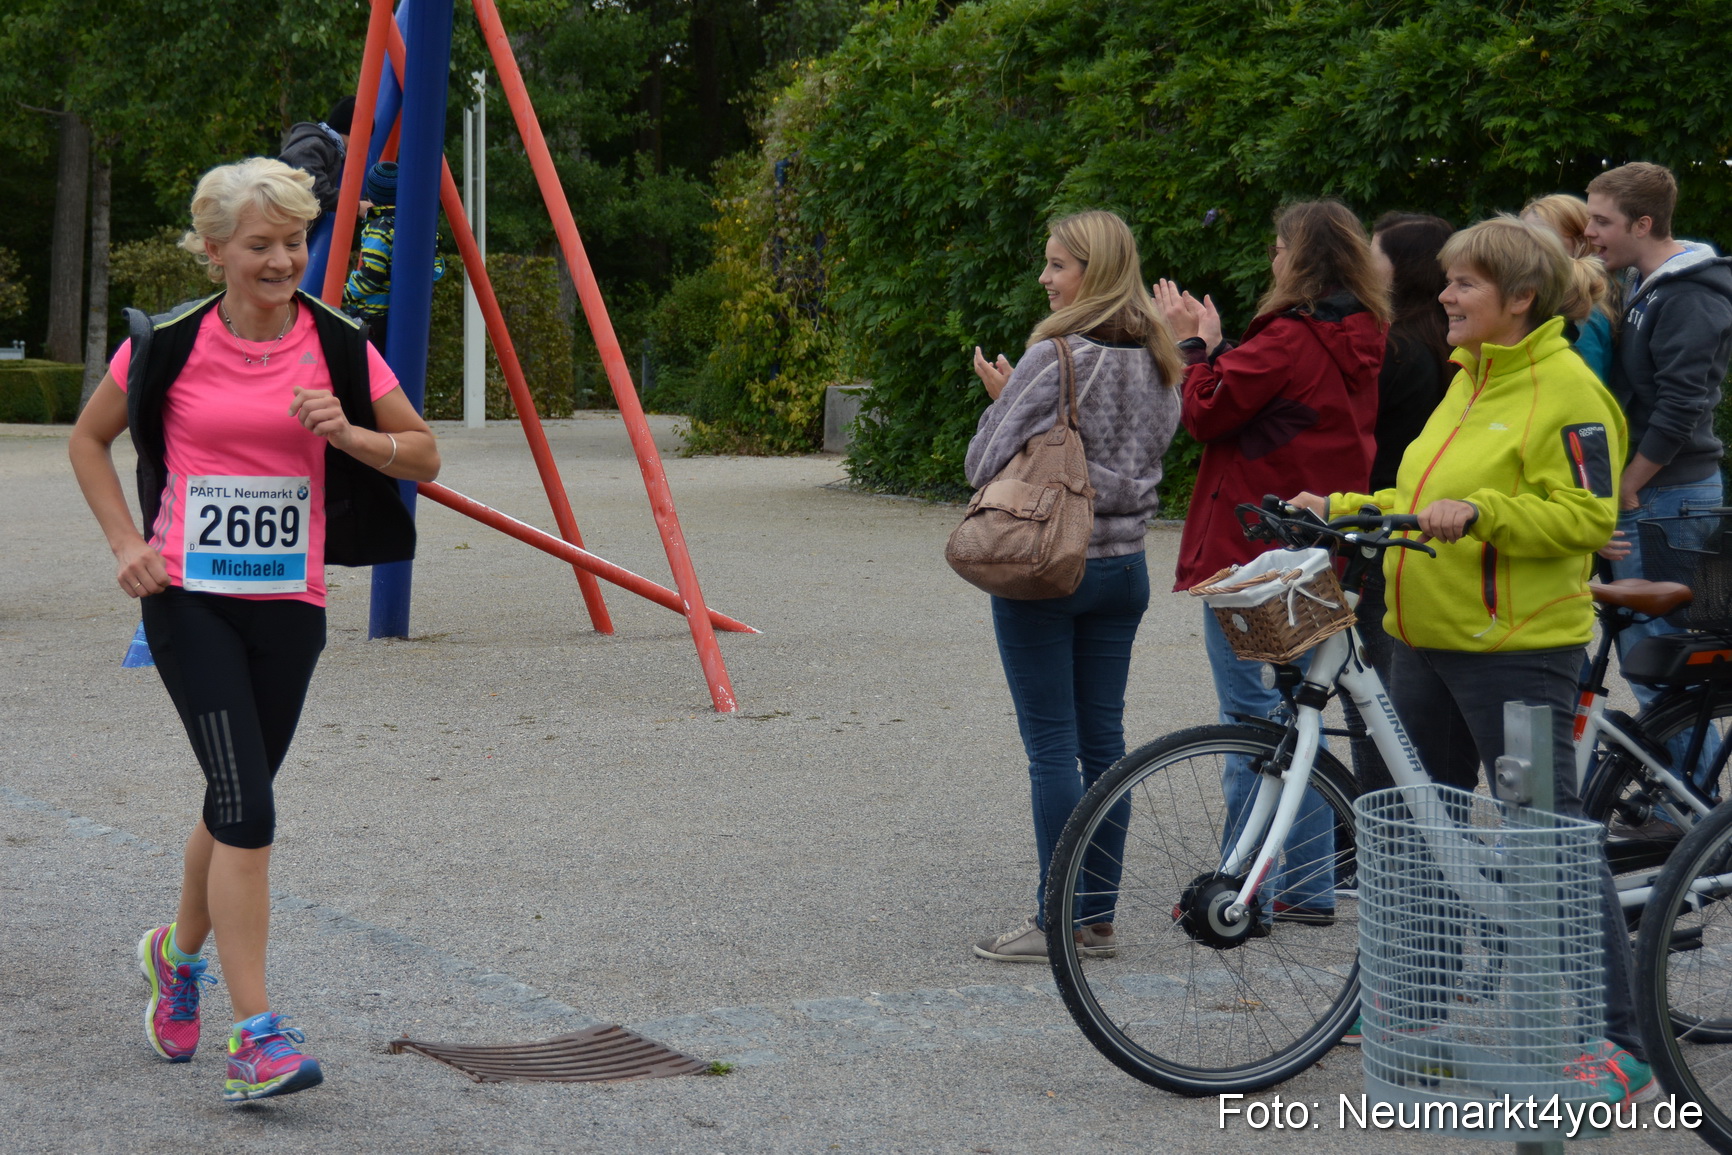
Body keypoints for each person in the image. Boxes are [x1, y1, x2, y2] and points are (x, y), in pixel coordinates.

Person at [67, 157, 440, 1101]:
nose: (284, 260)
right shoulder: (171, 341)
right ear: (216, 250)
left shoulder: (340, 343)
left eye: (295, 241)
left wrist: (352, 435)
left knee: (235, 794)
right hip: (188, 599)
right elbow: (88, 438)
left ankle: (174, 956)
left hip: (291, 604)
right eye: (262, 245)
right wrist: (125, 544)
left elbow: (425, 454)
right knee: (250, 807)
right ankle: (258, 1036)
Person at [1291, 214, 1652, 1106]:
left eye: (1465, 285)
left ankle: (1624, 1041)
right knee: (1419, 826)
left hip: (1514, 646)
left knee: (1551, 847)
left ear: (1519, 299)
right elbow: (1419, 500)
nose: (1445, 297)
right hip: (1423, 633)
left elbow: (1588, 518)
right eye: (1447, 281)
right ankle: (1420, 1009)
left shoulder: (1568, 391)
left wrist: (1486, 511)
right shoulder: (1466, 380)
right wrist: (1337, 504)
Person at [1156, 200, 1388, 923]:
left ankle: (1237, 886)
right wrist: (1219, 349)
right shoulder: (1361, 336)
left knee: (1253, 721)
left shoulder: (1287, 337)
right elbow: (1256, 401)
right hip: (1319, 549)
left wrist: (1192, 348)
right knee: (1302, 715)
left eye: (1279, 247)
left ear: (1300, 258)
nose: (1272, 259)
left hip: (1255, 553)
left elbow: (1205, 413)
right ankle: (1309, 885)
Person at [965, 210, 1182, 962]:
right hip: (1125, 568)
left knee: (1051, 747)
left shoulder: (1055, 355)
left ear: (1093, 270)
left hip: (1049, 565)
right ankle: (1097, 919)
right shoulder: (1161, 357)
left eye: (1057, 265)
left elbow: (981, 463)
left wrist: (1002, 400)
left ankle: (1053, 919)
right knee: (1105, 744)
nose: (1045, 278)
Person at [1584, 162, 1732, 702]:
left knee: (1659, 663)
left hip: (1667, 494)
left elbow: (1681, 407)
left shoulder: (1689, 294)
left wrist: (1629, 483)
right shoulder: (1646, 282)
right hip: (1655, 491)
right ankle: (1672, 782)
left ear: (1642, 225)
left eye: (1601, 221)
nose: (1589, 232)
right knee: (1649, 659)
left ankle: (1691, 786)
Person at [1347, 212, 1454, 794]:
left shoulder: (1397, 349)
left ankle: (1380, 831)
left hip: (1386, 525)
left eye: (1374, 251)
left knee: (1376, 697)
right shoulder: (1447, 344)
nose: (1364, 261)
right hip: (1419, 526)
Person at [342, 160, 447, 354]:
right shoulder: (420, 227)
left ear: (371, 195)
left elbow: (371, 277)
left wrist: (347, 291)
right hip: (408, 315)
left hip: (375, 317)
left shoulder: (379, 230)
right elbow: (436, 270)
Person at [1521, 194, 1618, 381]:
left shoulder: (1583, 308)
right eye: (1524, 237)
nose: (1528, 248)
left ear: (1582, 242)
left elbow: (1585, 386)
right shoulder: (1544, 295)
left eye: (1544, 238)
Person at [279, 95, 359, 219]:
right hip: (283, 223)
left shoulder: (326, 147)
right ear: (353, 134)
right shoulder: (311, 147)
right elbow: (314, 189)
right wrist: (356, 206)